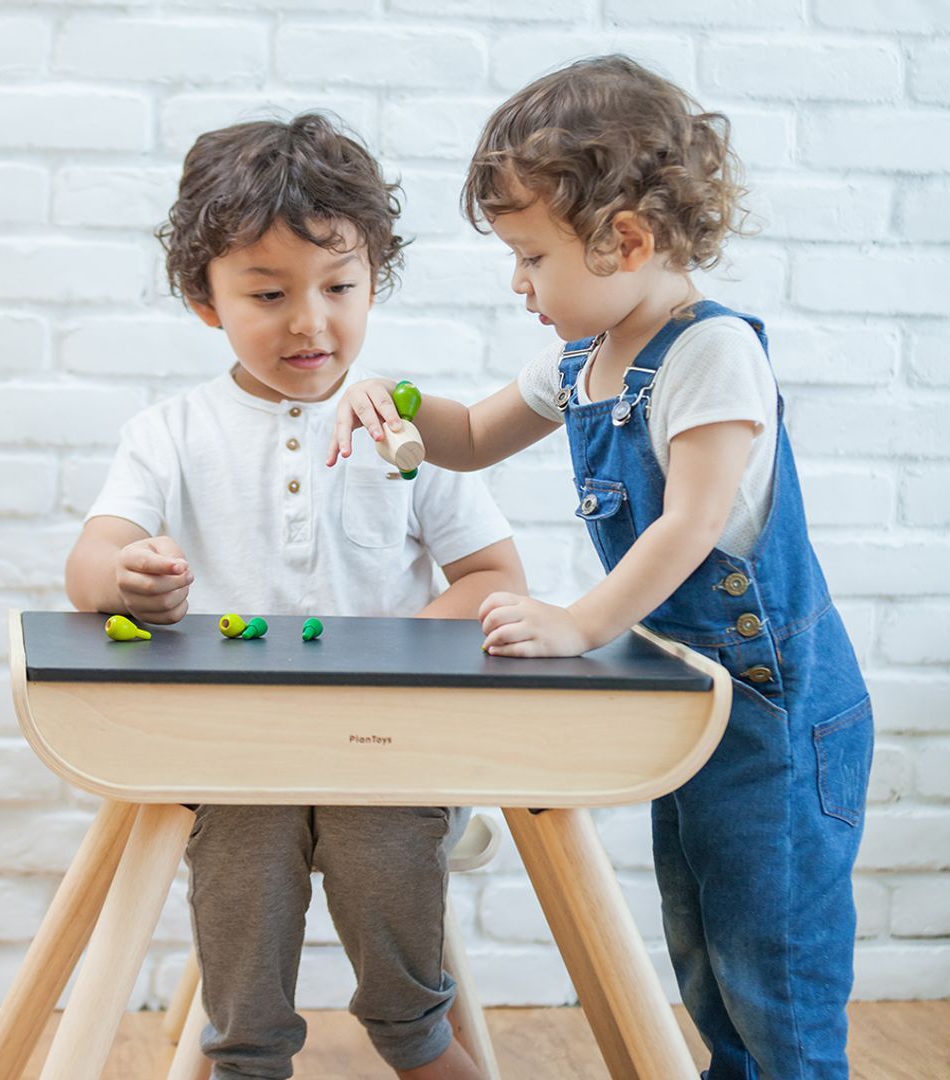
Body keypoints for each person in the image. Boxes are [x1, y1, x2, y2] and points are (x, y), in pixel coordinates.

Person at [328, 56, 873, 1080]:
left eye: (531, 256)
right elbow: (474, 433)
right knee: (706, 944)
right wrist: (393, 398)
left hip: (781, 713)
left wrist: (580, 622)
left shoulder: (714, 356)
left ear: (624, 238)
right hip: (700, 701)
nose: (519, 283)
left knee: (778, 963)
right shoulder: (584, 360)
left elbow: (689, 528)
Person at [65, 113, 525, 1080]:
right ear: (205, 300)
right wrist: (127, 578)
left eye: (340, 288)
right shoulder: (172, 432)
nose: (310, 322)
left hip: (386, 752)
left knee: (380, 841)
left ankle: (415, 1035)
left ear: (374, 284)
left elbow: (492, 581)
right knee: (241, 846)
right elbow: (90, 559)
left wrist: (392, 652)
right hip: (239, 753)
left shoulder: (414, 428)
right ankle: (245, 1053)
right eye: (268, 293)